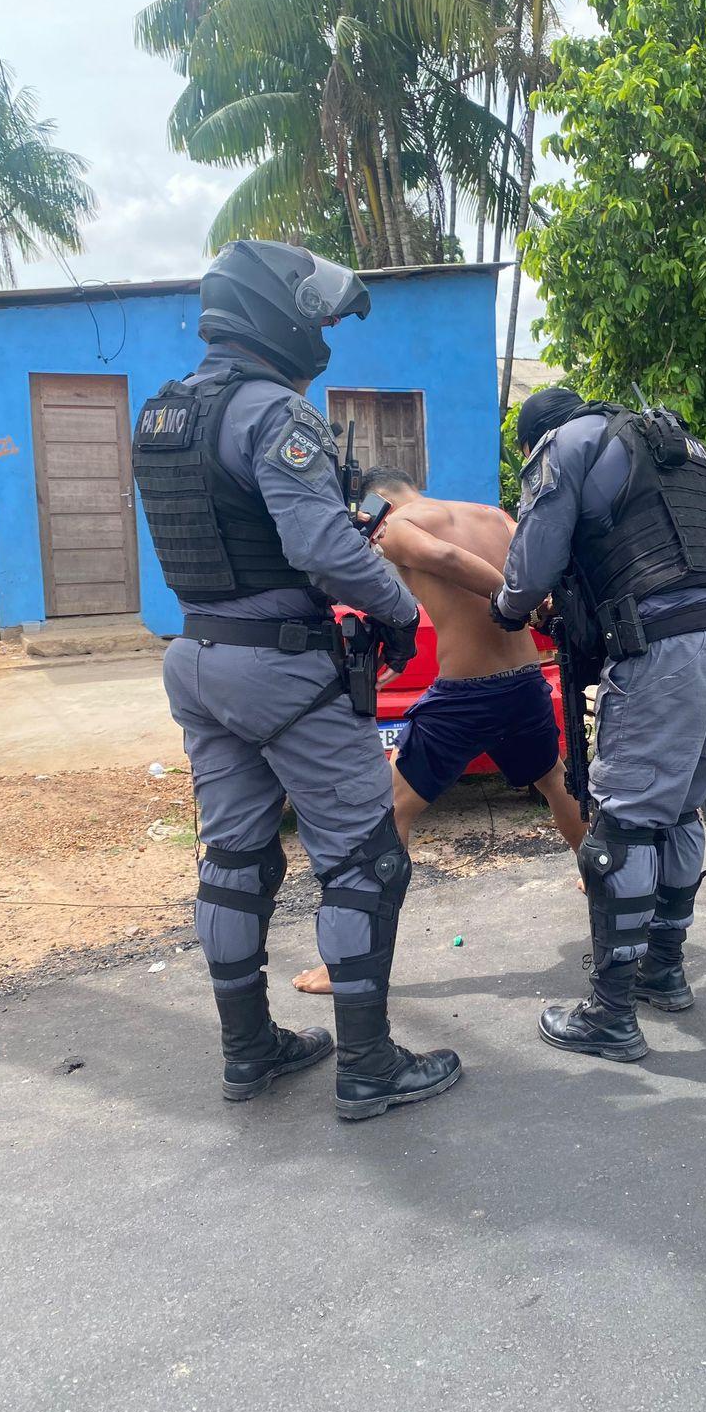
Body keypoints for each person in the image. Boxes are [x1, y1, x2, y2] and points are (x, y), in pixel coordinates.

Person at [132, 239, 460, 1121]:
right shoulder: (273, 414)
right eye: (313, 316)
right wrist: (397, 611)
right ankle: (368, 1067)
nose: (320, 332)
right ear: (274, 317)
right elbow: (323, 547)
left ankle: (249, 1054)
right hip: (283, 665)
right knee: (364, 861)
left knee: (236, 860)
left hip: (198, 658)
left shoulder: (165, 416)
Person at [490, 386, 706, 1062]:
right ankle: (663, 969)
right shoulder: (669, 441)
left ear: (532, 438)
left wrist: (507, 608)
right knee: (681, 811)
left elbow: (528, 571)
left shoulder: (561, 446)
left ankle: (609, 1012)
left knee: (624, 824)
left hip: (663, 649)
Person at [291, 465, 586, 995]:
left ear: (372, 504)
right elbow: (544, 562)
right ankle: (607, 884)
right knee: (553, 780)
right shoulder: (494, 516)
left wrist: (513, 603)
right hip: (522, 682)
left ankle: (354, 962)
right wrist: (535, 601)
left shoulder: (401, 528)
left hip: (467, 694)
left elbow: (446, 560)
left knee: (390, 811)